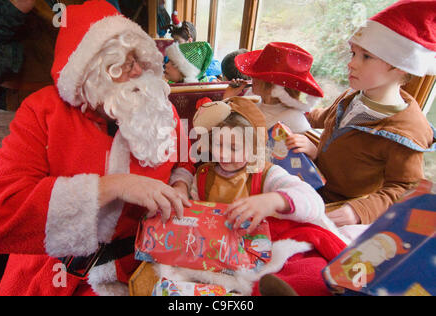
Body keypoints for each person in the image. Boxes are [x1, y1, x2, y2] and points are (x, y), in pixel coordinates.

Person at [0, 0, 195, 296]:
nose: (138, 72)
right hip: (55, 277)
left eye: (138, 60)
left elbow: (183, 164)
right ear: (91, 73)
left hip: (140, 274)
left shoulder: (160, 109)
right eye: (123, 64)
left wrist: (181, 186)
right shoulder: (43, 112)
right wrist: (111, 187)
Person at [285, 0, 436, 234]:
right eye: (353, 53)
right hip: (311, 179)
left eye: (366, 57)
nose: (351, 63)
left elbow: (406, 187)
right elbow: (323, 120)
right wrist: (289, 109)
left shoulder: (406, 132)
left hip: (338, 207)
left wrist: (358, 210)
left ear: (401, 66)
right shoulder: (351, 97)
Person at [185, 97, 348, 296]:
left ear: (254, 147)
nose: (223, 154)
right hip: (223, 251)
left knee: (311, 272)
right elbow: (194, 218)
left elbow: (312, 202)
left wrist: (274, 200)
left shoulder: (266, 173)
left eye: (234, 148)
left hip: (270, 246)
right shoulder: (202, 177)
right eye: (217, 144)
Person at [230, 42, 324, 134]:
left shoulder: (293, 121)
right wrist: (230, 97)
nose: (252, 77)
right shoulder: (254, 100)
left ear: (274, 86)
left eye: (258, 76)